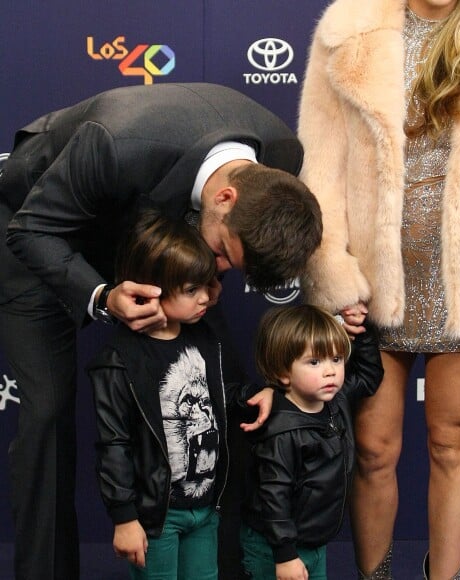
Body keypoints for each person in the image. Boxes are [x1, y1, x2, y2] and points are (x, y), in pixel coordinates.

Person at [0, 82, 322, 580]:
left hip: (150, 235)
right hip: (40, 224)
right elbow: (30, 229)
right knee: (47, 412)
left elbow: (210, 254)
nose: (219, 275)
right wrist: (103, 296)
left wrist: (207, 275)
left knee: (225, 393)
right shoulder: (115, 141)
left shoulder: (281, 156)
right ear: (225, 197)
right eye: (221, 256)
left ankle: (221, 566)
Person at [297, 1, 460, 579]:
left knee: (451, 442)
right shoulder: (348, 31)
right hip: (373, 284)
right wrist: (333, 271)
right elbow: (322, 169)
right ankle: (376, 576)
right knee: (373, 450)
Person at [87, 210, 273, 579]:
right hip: (157, 517)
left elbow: (219, 392)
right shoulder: (119, 362)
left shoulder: (204, 338)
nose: (206, 297)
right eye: (191, 289)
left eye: (207, 284)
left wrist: (257, 394)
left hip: (205, 507)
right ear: (151, 287)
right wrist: (124, 518)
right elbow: (114, 445)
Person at [240, 304, 384, 580]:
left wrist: (363, 334)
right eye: (314, 362)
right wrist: (285, 555)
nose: (330, 371)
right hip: (274, 549)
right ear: (283, 372)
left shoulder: (336, 401)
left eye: (337, 359)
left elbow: (368, 376)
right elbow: (274, 497)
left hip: (312, 543)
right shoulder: (281, 430)